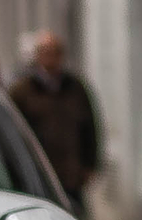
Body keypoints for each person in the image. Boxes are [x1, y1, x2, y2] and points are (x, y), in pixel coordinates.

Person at [8, 31, 100, 209]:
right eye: (45, 52)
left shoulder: (76, 88)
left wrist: (90, 164)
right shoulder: (22, 91)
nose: (51, 58)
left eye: (55, 52)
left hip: (70, 173)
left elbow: (90, 128)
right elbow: (13, 131)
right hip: (37, 172)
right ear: (37, 56)